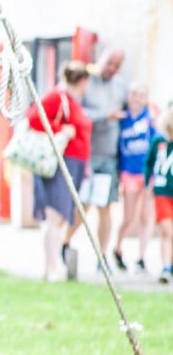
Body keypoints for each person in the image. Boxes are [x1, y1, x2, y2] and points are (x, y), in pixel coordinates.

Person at [30, 61, 93, 282]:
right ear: (83, 81)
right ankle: (52, 267)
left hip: (73, 163)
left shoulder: (72, 101)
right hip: (59, 163)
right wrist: (60, 129)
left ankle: (53, 265)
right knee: (54, 215)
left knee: (59, 216)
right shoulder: (57, 97)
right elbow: (34, 118)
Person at [73, 48, 127, 256]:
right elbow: (78, 111)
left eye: (117, 65)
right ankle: (66, 242)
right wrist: (105, 115)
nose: (111, 68)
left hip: (109, 155)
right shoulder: (87, 82)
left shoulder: (120, 86)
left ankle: (102, 255)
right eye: (109, 63)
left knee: (105, 207)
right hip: (88, 154)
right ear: (100, 60)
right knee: (83, 204)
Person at [114, 84, 155, 271]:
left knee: (146, 216)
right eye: (133, 94)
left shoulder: (151, 119)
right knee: (129, 216)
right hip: (129, 172)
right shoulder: (122, 119)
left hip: (147, 173)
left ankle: (142, 256)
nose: (136, 99)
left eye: (141, 95)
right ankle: (117, 248)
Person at [144, 107, 173, 283]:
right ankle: (165, 267)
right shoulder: (158, 141)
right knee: (166, 229)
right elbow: (148, 164)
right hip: (162, 191)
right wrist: (148, 182)